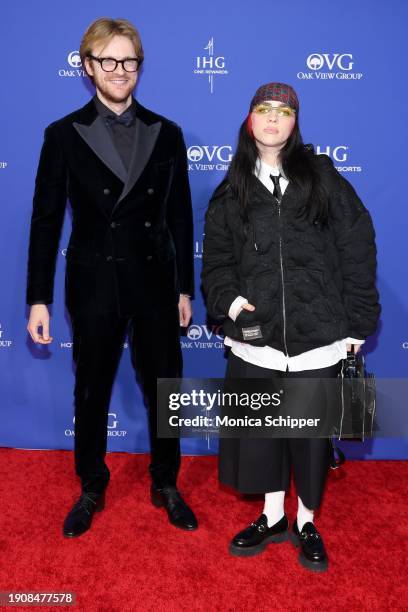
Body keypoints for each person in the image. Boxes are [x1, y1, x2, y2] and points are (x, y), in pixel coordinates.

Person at [26, 17, 198, 537]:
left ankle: (167, 482)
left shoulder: (167, 133)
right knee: (91, 389)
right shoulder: (62, 135)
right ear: (88, 67)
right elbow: (45, 220)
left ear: (139, 67)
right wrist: (38, 299)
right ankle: (92, 485)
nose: (120, 71)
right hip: (94, 282)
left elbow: (180, 216)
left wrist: (184, 287)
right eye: (108, 61)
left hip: (154, 281)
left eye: (129, 61)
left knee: (165, 387)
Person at [201, 82, 380, 571]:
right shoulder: (231, 188)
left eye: (284, 112)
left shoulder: (323, 179)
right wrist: (231, 305)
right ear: (249, 120)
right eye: (264, 110)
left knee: (308, 439)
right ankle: (272, 515)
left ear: (295, 123)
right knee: (263, 435)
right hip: (257, 343)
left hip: (318, 340)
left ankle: (305, 520)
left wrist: (357, 319)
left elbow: (357, 246)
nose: (273, 119)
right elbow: (216, 263)